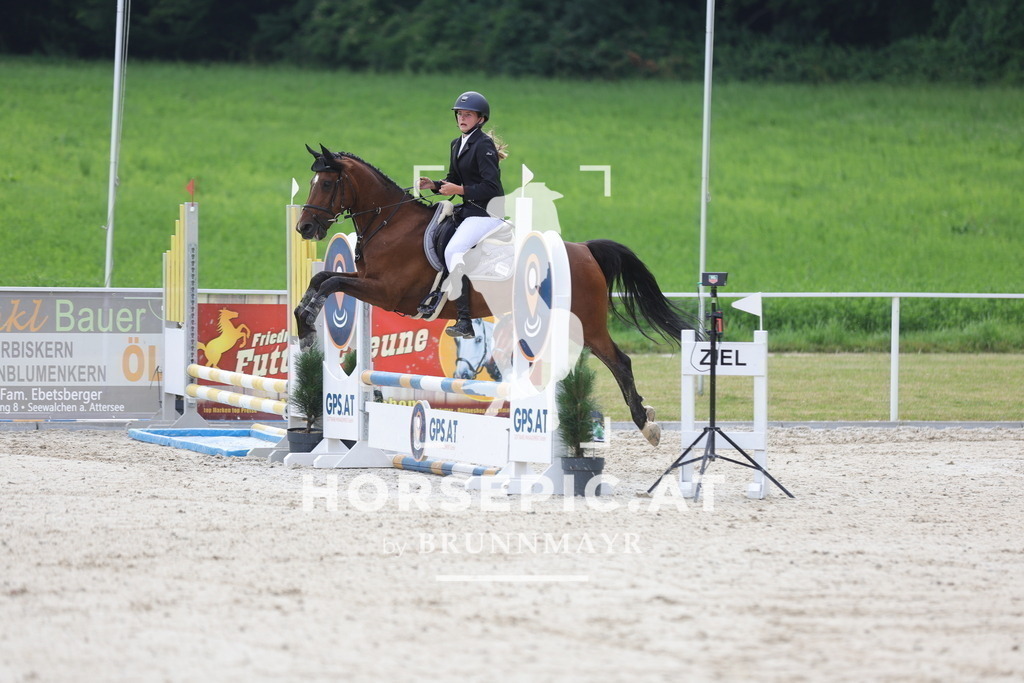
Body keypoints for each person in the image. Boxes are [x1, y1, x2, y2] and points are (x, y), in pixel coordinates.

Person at [417, 91, 507, 338]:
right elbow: (453, 179)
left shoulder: (483, 145)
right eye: (459, 114)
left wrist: (459, 190)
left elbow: (491, 187)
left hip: (487, 213)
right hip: (469, 211)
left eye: (468, 115)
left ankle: (464, 319)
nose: (462, 118)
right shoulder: (456, 144)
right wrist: (434, 184)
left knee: (454, 250)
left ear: (480, 119)